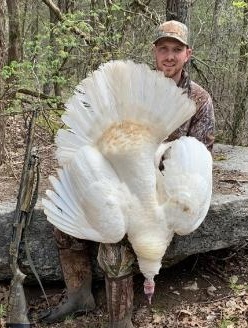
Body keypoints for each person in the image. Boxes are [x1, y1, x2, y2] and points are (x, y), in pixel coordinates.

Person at [41, 20, 214, 328]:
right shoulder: (133, 88)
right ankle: (78, 295)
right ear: (155, 52)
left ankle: (119, 321)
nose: (169, 57)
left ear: (188, 54)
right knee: (67, 225)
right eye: (164, 49)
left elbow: (200, 154)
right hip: (117, 176)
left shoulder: (198, 99)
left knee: (116, 245)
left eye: (176, 50)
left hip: (160, 200)